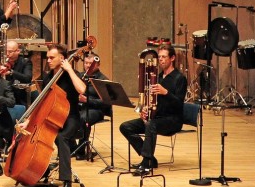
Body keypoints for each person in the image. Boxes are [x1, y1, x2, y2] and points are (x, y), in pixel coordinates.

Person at [119, 45, 187, 175]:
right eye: (159, 57)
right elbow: (152, 99)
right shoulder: (158, 77)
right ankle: (150, 159)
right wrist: (145, 109)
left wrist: (165, 92)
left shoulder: (179, 78)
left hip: (173, 119)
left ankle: (146, 163)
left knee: (151, 125)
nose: (160, 60)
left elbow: (179, 104)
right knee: (125, 127)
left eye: (164, 57)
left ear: (172, 58)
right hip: (157, 117)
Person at [31, 44, 85, 187]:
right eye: (47, 57)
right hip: (53, 116)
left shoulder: (71, 74)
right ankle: (40, 169)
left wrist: (69, 70)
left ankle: (67, 182)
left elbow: (82, 89)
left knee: (62, 138)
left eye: (51, 57)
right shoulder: (49, 77)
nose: (48, 60)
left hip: (71, 118)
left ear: (62, 58)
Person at [74, 50, 108, 160]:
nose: (88, 66)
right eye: (86, 63)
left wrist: (87, 100)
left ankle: (80, 150)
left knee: (83, 118)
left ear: (98, 65)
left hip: (96, 110)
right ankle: (71, 147)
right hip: (80, 108)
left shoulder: (102, 80)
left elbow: (105, 102)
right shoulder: (80, 77)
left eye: (91, 63)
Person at [1, 39, 35, 118]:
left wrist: (11, 72)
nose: (7, 54)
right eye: (6, 51)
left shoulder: (25, 62)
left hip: (19, 98)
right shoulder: (3, 62)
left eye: (10, 51)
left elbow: (28, 78)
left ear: (18, 51)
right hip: (5, 97)